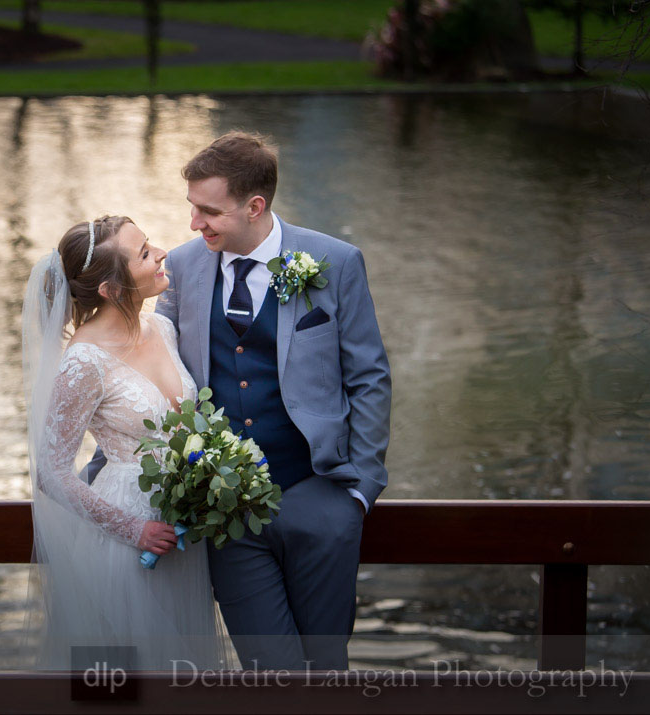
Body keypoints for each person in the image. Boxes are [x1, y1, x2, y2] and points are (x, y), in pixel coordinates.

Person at [84, 132, 391, 671]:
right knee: (268, 670)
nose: (195, 224)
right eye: (192, 209)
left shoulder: (334, 262)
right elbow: (145, 369)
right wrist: (104, 469)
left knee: (326, 668)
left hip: (320, 495)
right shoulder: (178, 269)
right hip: (226, 516)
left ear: (255, 206)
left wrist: (359, 492)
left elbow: (369, 378)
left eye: (209, 211)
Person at [21, 215, 226, 672]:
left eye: (150, 244)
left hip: (179, 536)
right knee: (126, 678)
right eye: (144, 253)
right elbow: (51, 473)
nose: (161, 254)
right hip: (126, 539)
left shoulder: (163, 330)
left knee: (179, 673)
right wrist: (134, 531)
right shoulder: (83, 362)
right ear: (111, 290)